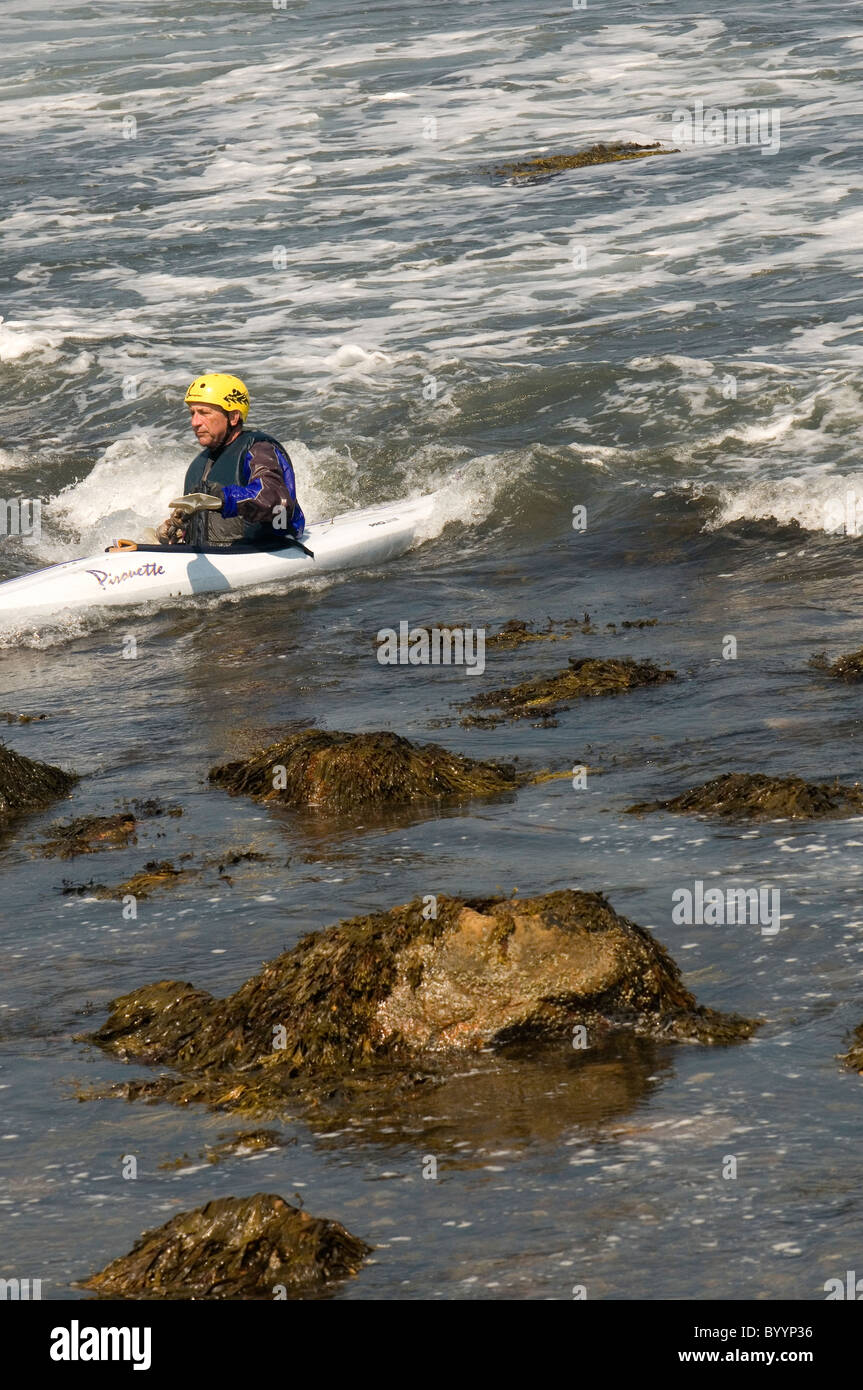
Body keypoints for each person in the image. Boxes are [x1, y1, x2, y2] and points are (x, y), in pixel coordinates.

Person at [157, 373, 305, 548]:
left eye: (204, 413)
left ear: (233, 417)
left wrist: (223, 498)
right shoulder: (201, 462)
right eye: (192, 413)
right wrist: (178, 527)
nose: (195, 422)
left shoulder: (259, 450)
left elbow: (274, 500)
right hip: (215, 554)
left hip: (262, 549)